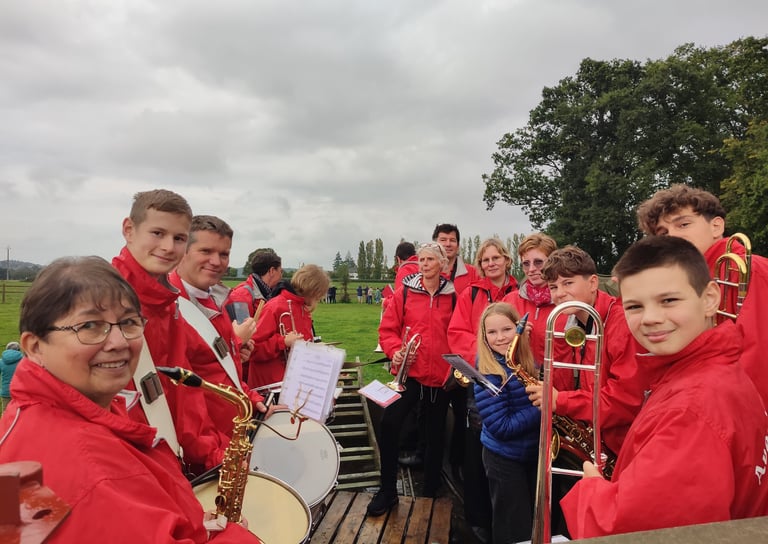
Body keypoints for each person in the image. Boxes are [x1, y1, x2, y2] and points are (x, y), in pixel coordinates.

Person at [0, 256, 255, 542]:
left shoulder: (26, 418)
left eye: (129, 322)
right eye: (89, 326)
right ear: (34, 346)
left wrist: (189, 521)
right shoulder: (94, 470)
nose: (119, 342)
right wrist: (237, 537)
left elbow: (60, 528)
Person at [561, 236, 768, 538]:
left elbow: (634, 531)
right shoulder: (721, 368)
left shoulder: (690, 413)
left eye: (668, 300)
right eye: (634, 306)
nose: (651, 319)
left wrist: (591, 488)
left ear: (710, 298)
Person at [112, 189, 228, 473]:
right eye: (157, 233)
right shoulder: (104, 299)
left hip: (166, 457)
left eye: (178, 238)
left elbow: (182, 391)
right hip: (129, 462)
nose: (168, 247)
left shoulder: (169, 303)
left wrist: (212, 450)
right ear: (129, 230)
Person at [636, 183, 768, 408]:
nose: (674, 237)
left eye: (684, 224)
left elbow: (756, 360)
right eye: (664, 233)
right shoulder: (691, 280)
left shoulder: (749, 269)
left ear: (716, 226)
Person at [525, 246, 642, 455]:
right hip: (596, 439)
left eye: (568, 283)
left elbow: (624, 404)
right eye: (553, 287)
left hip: (625, 447)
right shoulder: (566, 322)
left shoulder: (622, 325)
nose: (560, 294)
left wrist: (560, 400)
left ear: (593, 283)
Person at [367, 243, 456, 516]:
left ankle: (429, 492)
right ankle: (388, 490)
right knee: (390, 423)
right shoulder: (405, 293)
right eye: (423, 260)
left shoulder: (454, 296)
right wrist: (395, 352)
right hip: (410, 375)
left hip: (440, 378)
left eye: (431, 259)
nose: (426, 264)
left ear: (443, 264)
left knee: (434, 434)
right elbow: (388, 330)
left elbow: (459, 332)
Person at [168, 215, 273, 436]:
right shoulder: (169, 310)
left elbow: (220, 372)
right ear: (183, 251)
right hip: (209, 448)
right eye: (206, 251)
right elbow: (181, 401)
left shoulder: (216, 299)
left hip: (230, 432)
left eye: (224, 254)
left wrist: (252, 399)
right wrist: (216, 453)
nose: (217, 261)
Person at [446, 238, 517, 542]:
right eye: (485, 259)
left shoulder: (519, 293)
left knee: (509, 447)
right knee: (478, 446)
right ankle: (478, 517)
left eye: (495, 258)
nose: (490, 264)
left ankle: (506, 519)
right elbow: (457, 331)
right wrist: (486, 356)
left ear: (506, 260)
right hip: (481, 378)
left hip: (515, 377)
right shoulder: (470, 293)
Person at [474, 302, 540, 544]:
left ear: (519, 330)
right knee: (513, 528)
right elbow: (501, 427)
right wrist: (544, 408)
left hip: (529, 455)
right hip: (503, 461)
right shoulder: (486, 373)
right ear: (484, 336)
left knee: (532, 522)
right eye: (492, 332)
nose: (500, 338)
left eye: (507, 329)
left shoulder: (526, 361)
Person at [248, 264, 330, 390]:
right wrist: (283, 342)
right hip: (271, 389)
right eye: (319, 295)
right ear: (313, 291)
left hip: (293, 384)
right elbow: (253, 349)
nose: (319, 299)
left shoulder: (303, 309)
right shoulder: (274, 307)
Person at [502, 233, 558, 366]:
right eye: (526, 264)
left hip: (560, 384)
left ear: (552, 262)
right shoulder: (509, 301)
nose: (532, 269)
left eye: (538, 262)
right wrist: (513, 337)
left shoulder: (566, 302)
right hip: (518, 382)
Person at [229, 248, 283, 318]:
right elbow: (241, 327)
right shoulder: (241, 296)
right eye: (281, 271)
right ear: (272, 271)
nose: (281, 276)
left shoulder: (268, 294)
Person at [432, 223, 480, 295]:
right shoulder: (425, 272)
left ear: (458, 246)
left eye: (452, 240)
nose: (448, 244)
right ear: (434, 244)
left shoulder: (474, 273)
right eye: (443, 240)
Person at [0, 341, 22, 416]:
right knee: (20, 413)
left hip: (6, 391)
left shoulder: (1, 362)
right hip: (20, 391)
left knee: (6, 413)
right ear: (18, 350)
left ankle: (5, 427)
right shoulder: (24, 361)